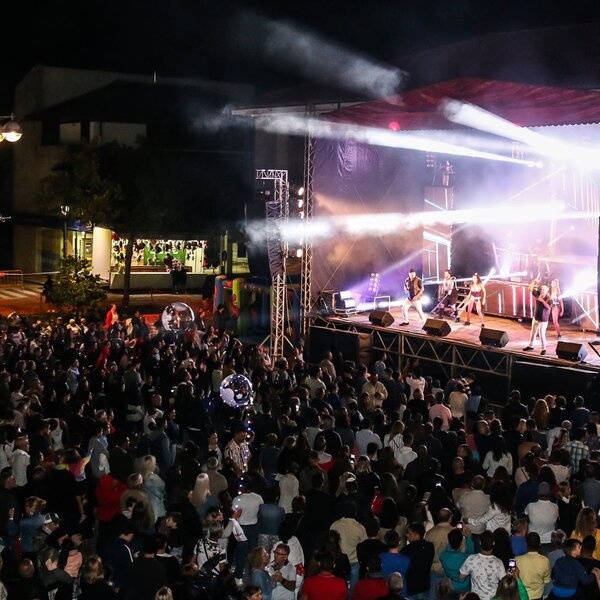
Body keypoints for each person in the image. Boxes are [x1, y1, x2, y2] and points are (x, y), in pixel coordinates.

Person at [459, 530, 506, 600]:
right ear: (493, 543)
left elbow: (461, 577)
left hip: (476, 598)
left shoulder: (471, 559)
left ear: (480, 543)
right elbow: (505, 581)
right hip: (493, 598)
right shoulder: (498, 562)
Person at [514, 532, 551, 600]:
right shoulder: (545, 561)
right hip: (538, 596)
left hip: (521, 595)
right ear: (540, 544)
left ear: (526, 544)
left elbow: (511, 577)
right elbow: (547, 580)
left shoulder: (516, 559)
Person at [523, 278, 551, 355]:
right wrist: (534, 281)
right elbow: (530, 288)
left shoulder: (548, 298)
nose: (541, 291)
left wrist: (542, 301)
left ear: (546, 291)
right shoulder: (538, 294)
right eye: (541, 289)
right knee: (533, 332)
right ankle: (531, 346)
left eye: (543, 290)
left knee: (542, 334)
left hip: (543, 319)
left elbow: (549, 307)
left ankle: (544, 348)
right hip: (536, 317)